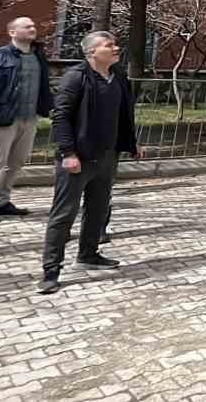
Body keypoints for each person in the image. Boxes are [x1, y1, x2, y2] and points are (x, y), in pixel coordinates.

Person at [38, 31, 140, 295]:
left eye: (115, 44)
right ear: (91, 52)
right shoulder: (76, 77)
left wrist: (131, 142)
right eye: (109, 45)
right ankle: (51, 270)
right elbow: (60, 117)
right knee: (63, 214)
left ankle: (89, 254)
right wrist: (68, 152)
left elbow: (124, 114)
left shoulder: (118, 78)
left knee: (97, 209)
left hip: (107, 156)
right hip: (78, 158)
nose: (116, 48)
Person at [0, 16, 53, 223]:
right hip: (2, 118)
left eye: (34, 25)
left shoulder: (38, 56)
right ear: (12, 32)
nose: (33, 28)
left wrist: (49, 107)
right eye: (27, 26)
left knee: (16, 163)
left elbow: (43, 86)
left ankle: (1, 202)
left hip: (30, 118)